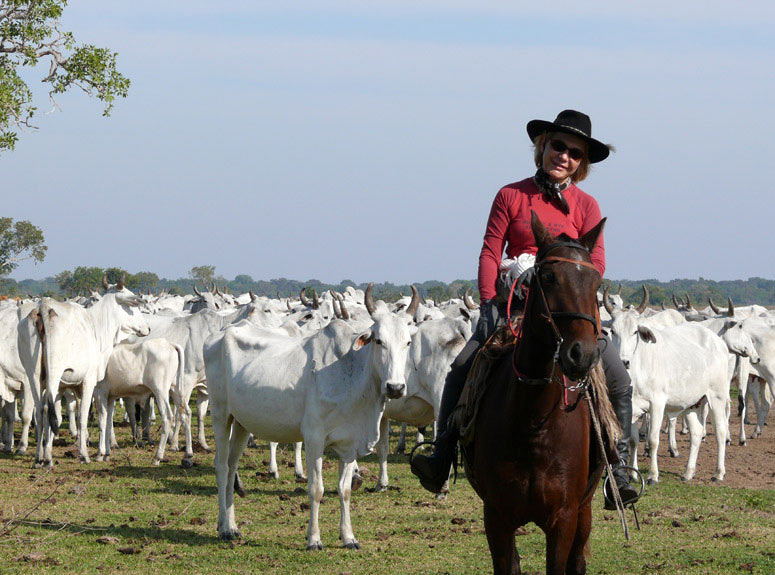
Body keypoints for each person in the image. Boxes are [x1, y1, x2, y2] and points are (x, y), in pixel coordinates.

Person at [411, 109, 639, 508]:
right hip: (512, 307)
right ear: (542, 147)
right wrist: (489, 299)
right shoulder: (510, 195)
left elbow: (597, 263)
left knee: (617, 377)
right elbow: (489, 249)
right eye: (557, 146)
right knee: (462, 367)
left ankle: (617, 468)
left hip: (566, 313)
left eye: (574, 152)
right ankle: (442, 454)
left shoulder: (587, 205)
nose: (563, 156)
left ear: (581, 163)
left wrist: (558, 271)